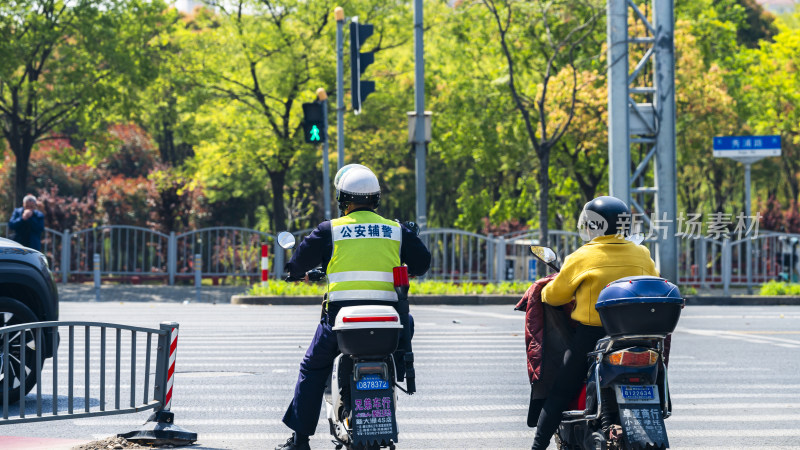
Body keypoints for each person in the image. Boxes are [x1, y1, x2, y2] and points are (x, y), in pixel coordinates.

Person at [276, 164, 431, 450]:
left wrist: (295, 271)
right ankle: (393, 368)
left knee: (312, 368)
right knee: (405, 328)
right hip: (390, 324)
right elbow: (422, 264)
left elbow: (297, 263)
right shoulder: (396, 230)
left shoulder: (330, 230)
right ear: (376, 198)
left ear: (342, 199)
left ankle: (300, 440)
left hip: (341, 326)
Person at [531, 196, 659, 449]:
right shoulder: (642, 253)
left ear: (591, 225)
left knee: (560, 390)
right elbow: (653, 283)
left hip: (594, 337)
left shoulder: (582, 256)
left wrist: (545, 291)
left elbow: (555, 296)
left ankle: (538, 446)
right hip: (639, 337)